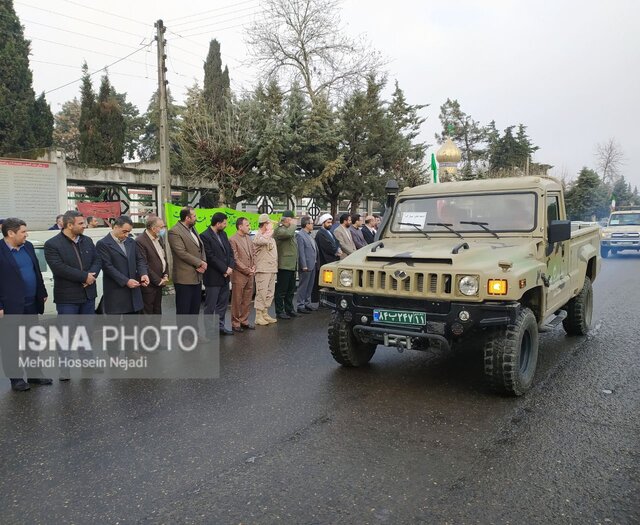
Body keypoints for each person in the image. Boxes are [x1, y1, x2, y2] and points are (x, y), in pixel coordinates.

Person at [0, 218, 50, 391]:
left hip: (31, 305)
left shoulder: (27, 247)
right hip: (9, 307)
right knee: (11, 344)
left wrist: (41, 292)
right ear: (10, 233)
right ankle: (16, 379)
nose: (26, 234)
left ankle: (34, 374)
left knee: (31, 342)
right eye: (23, 232)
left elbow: (36, 271)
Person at [44, 210, 101, 315]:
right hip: (68, 299)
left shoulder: (87, 240)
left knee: (87, 330)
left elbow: (97, 260)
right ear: (69, 225)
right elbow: (59, 268)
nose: (84, 226)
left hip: (89, 295)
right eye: (80, 223)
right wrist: (84, 277)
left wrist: (91, 277)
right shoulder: (52, 244)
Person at [96, 216, 149, 315]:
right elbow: (107, 267)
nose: (126, 235)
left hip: (133, 290)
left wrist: (143, 274)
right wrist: (126, 281)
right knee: (114, 327)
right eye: (124, 231)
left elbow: (140, 259)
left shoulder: (131, 242)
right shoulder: (103, 244)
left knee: (132, 326)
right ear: (115, 227)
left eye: (129, 232)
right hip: (116, 291)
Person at [167, 207, 207, 315]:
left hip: (197, 277)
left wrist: (203, 261)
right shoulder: (174, 231)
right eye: (194, 216)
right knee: (184, 311)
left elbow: (200, 248)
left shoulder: (193, 229)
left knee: (195, 310)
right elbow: (181, 252)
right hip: (184, 279)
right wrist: (200, 263)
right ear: (187, 218)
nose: (196, 218)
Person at [200, 212, 235, 336]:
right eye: (224, 223)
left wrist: (230, 267)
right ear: (218, 223)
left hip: (225, 277)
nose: (226, 225)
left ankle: (220, 327)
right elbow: (210, 257)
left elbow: (230, 253)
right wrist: (225, 269)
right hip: (213, 277)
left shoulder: (224, 234)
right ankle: (209, 331)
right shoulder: (204, 236)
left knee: (222, 304)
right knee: (210, 306)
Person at [135, 216, 169, 314]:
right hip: (149, 284)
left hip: (160, 281)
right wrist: (158, 281)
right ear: (153, 228)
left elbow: (163, 258)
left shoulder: (159, 238)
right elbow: (143, 264)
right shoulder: (140, 241)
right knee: (148, 315)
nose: (163, 229)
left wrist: (165, 274)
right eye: (161, 227)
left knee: (157, 312)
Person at [229, 217, 256, 332]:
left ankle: (244, 320)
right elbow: (235, 259)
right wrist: (247, 270)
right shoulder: (232, 239)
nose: (249, 227)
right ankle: (235, 323)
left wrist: (254, 266)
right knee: (237, 300)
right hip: (239, 274)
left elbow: (253, 254)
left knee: (247, 299)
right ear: (240, 227)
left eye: (249, 225)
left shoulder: (249, 238)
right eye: (247, 225)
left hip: (250, 274)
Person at [253, 214, 278, 326]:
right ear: (264, 224)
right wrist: (269, 232)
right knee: (261, 292)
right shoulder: (259, 236)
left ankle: (265, 313)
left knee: (270, 292)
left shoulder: (270, 237)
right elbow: (262, 241)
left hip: (272, 268)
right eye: (268, 223)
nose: (271, 226)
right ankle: (258, 315)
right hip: (263, 269)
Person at [273, 210, 298, 319]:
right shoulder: (279, 229)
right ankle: (279, 311)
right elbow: (287, 234)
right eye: (292, 219)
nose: (294, 221)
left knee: (290, 289)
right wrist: (293, 225)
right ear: (288, 219)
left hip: (292, 264)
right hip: (284, 264)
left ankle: (289, 309)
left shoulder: (288, 229)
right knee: (281, 289)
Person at [296, 216, 317, 313]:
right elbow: (301, 252)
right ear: (307, 224)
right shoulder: (300, 235)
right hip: (306, 265)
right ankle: (300, 305)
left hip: (312, 263)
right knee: (303, 286)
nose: (313, 225)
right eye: (312, 223)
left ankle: (307, 303)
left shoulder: (309, 234)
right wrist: (303, 265)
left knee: (310, 285)